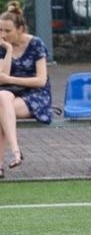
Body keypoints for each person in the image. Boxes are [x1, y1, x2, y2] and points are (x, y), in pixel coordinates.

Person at [0, 9, 52, 173]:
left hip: (36, 94)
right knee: (1, 97)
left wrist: (10, 80)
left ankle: (3, 161)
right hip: (11, 94)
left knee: (1, 108)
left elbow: (41, 80)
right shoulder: (3, 45)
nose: (3, 34)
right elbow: (2, 76)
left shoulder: (36, 44)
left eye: (8, 31)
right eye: (0, 30)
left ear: (20, 29)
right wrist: (8, 51)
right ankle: (16, 151)